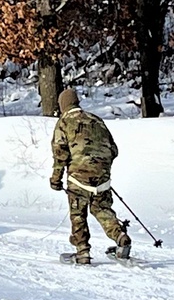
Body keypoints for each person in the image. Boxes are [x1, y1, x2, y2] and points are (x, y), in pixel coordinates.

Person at [50, 88, 131, 265]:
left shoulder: (64, 122)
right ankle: (120, 236)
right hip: (102, 178)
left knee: (78, 213)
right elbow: (113, 149)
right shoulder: (96, 120)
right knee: (102, 209)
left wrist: (55, 179)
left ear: (63, 104)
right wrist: (99, 167)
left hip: (78, 179)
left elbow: (60, 154)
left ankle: (82, 251)